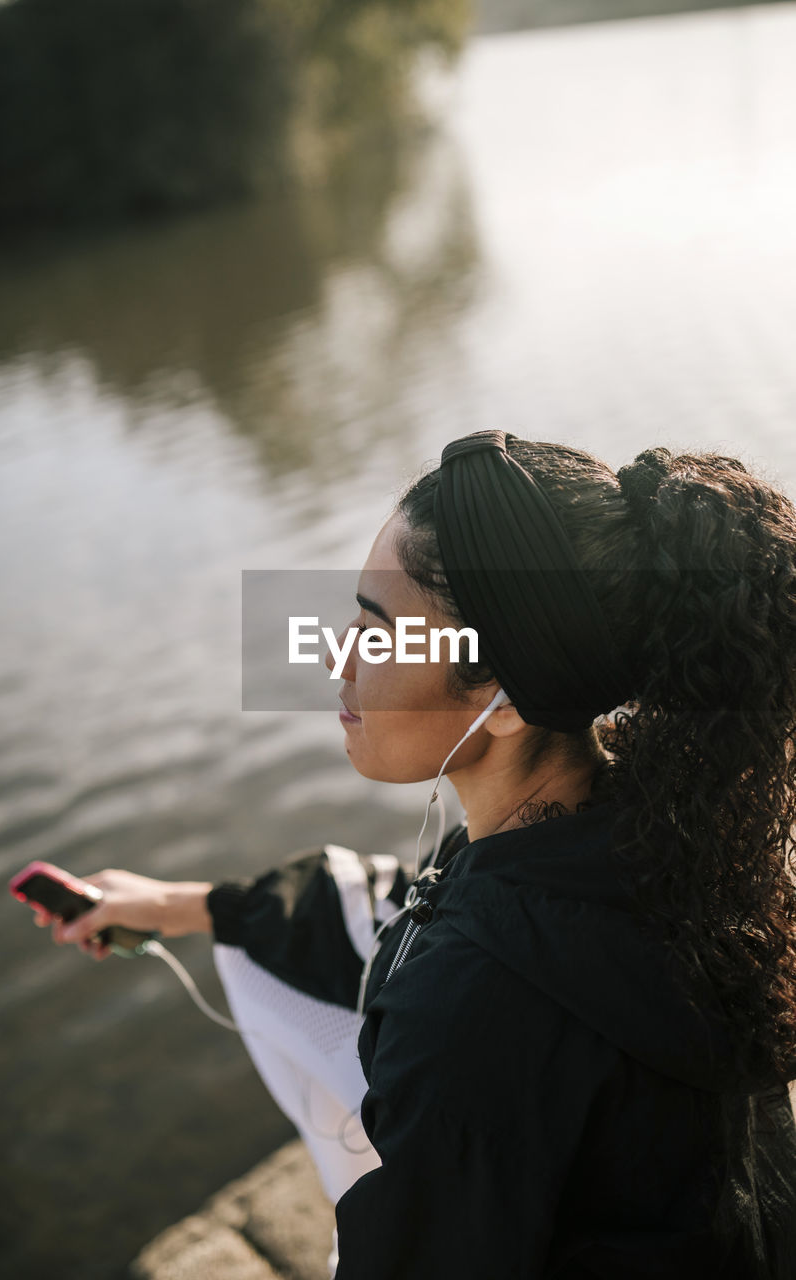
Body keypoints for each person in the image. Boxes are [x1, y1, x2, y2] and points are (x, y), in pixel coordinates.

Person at [44, 432, 796, 1278]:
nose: (336, 657)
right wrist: (193, 907)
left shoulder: (469, 1021)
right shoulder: (663, 834)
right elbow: (414, 907)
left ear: (500, 694)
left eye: (376, 629)